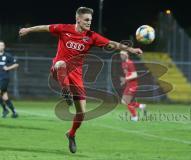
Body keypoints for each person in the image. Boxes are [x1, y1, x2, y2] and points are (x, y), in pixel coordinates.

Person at [19, 7, 142, 153]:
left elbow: (111, 43)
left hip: (76, 76)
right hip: (59, 71)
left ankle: (71, 134)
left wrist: (131, 50)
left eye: (90, 20)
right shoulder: (64, 29)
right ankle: (65, 92)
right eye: (86, 20)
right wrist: (28, 30)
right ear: (78, 19)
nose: (89, 22)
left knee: (81, 113)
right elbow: (45, 27)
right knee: (61, 64)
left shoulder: (92, 36)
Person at [120, 50, 146, 122]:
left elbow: (135, 75)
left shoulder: (130, 63)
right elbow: (128, 74)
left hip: (133, 85)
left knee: (126, 101)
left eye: (123, 54)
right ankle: (141, 106)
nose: (121, 56)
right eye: (120, 55)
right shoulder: (123, 63)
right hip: (129, 84)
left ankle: (135, 117)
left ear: (127, 55)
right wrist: (125, 80)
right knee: (124, 101)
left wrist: (125, 79)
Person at [0, 40, 19, 118]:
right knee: (4, 96)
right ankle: (14, 112)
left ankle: (5, 109)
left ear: (4, 47)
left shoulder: (7, 55)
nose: (0, 46)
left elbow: (16, 64)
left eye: (1, 45)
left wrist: (8, 68)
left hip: (4, 78)